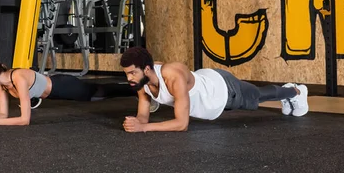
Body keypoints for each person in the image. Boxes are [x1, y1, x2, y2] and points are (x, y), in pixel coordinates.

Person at [119, 46, 308, 133]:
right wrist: (135, 122)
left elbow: (181, 124)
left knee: (258, 97)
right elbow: (143, 116)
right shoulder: (142, 81)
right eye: (127, 73)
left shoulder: (171, 75)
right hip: (209, 93)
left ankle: (295, 91)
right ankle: (292, 92)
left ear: (146, 69)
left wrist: (143, 128)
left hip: (223, 89)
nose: (129, 78)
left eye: (132, 73)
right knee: (257, 97)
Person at [0, 53, 135, 127]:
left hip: (64, 86)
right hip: (56, 92)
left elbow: (24, 120)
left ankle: (140, 89)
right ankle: (138, 90)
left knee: (102, 94)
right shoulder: (1, 85)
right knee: (101, 93)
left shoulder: (18, 78)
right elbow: (3, 114)